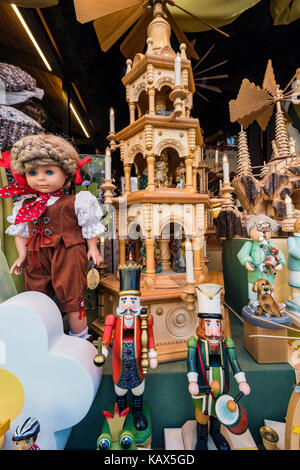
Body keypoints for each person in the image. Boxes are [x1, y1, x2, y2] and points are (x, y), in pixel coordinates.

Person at [0, 134, 105, 339]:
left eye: (49, 172)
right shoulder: (25, 203)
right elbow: (20, 231)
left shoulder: (77, 201)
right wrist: (21, 256)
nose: (41, 178)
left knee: (73, 298)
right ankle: (43, 338)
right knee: (37, 297)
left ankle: (80, 337)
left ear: (65, 175)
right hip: (36, 255)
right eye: (33, 172)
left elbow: (90, 224)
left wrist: (92, 248)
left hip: (68, 251)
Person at [187, 283, 250, 450]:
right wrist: (193, 381)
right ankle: (201, 438)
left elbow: (234, 362)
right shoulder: (195, 343)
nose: (214, 330)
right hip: (202, 390)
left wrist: (241, 381)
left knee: (218, 413)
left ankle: (216, 433)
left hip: (221, 390)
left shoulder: (226, 343)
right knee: (202, 414)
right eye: (208, 324)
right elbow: (191, 362)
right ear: (201, 326)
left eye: (216, 324)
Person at [101, 256, 157, 431]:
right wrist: (103, 351)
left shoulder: (144, 321)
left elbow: (151, 338)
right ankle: (122, 411)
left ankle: (138, 412)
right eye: (125, 301)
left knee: (138, 389)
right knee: (120, 391)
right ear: (120, 303)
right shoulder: (113, 319)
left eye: (133, 301)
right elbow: (106, 337)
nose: (128, 306)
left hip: (138, 364)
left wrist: (153, 353)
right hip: (120, 364)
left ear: (138, 302)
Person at [237, 214, 286, 308]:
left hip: (268, 275)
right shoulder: (249, 244)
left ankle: (270, 305)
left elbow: (279, 255)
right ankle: (254, 303)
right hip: (255, 275)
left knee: (269, 291)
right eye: (260, 230)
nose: (263, 233)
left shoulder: (270, 244)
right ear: (250, 230)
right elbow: (243, 254)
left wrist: (280, 264)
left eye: (266, 230)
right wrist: (247, 262)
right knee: (254, 290)